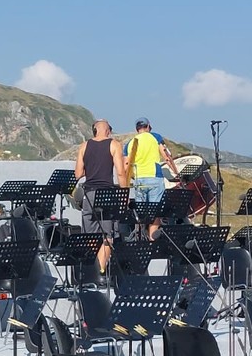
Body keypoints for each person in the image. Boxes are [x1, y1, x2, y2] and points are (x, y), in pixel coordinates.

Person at [74, 119, 127, 274]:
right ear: (108, 131)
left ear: (95, 131)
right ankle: (102, 270)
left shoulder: (84, 146)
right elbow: (120, 172)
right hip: (106, 194)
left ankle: (93, 271)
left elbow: (78, 173)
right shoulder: (114, 144)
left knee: (90, 234)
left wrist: (91, 168)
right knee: (107, 235)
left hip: (89, 194)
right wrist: (124, 194)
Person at [124, 117, 177, 239]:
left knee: (141, 214)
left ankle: (140, 240)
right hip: (154, 178)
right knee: (155, 214)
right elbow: (166, 157)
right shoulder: (155, 137)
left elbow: (126, 166)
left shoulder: (131, 143)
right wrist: (176, 172)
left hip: (139, 180)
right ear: (148, 126)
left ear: (137, 129)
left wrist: (132, 178)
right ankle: (152, 241)